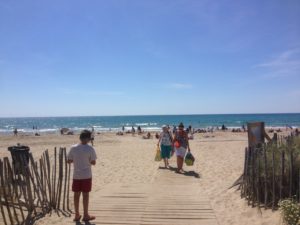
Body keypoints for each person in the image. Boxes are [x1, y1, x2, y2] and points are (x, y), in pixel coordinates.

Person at [67, 130, 97, 222]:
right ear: (88, 138)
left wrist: (77, 160)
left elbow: (69, 161)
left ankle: (76, 215)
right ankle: (86, 215)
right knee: (85, 195)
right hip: (86, 175)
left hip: (76, 175)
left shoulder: (73, 148)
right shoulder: (90, 148)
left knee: (76, 195)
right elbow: (93, 162)